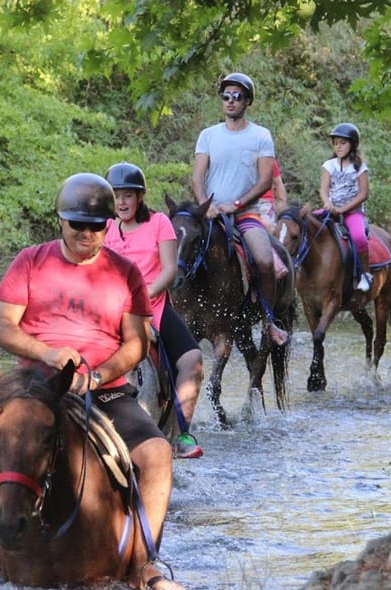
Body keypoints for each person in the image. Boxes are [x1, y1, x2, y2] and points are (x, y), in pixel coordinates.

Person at [0, 173, 184, 590]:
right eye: (78, 224)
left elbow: (136, 342)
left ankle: (144, 563)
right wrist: (47, 353)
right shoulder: (30, 261)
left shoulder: (125, 272)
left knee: (156, 454)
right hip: (33, 385)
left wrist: (97, 375)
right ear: (60, 221)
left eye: (98, 226)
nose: (88, 234)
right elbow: (0, 326)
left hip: (103, 388)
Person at [103, 161, 205, 459]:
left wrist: (140, 296)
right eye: (116, 195)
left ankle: (181, 433)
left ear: (140, 197)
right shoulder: (105, 228)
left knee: (192, 358)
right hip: (110, 306)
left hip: (153, 304)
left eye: (128, 195)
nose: (122, 202)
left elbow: (169, 270)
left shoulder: (159, 222)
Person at [191, 71, 289, 346]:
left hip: (246, 214)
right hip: (209, 214)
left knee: (264, 259)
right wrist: (204, 206)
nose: (230, 101)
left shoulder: (261, 136)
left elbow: (265, 181)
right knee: (181, 250)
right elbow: (197, 177)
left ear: (247, 101)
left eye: (237, 96)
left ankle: (269, 320)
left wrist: (234, 205)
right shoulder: (208, 136)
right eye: (226, 96)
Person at [319, 122, 372, 292]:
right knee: (306, 224)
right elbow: (323, 190)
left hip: (352, 212)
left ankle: (365, 274)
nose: (338, 147)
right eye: (336, 143)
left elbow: (363, 194)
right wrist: (327, 203)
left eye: (343, 143)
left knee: (358, 237)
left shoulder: (360, 168)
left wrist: (343, 209)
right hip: (331, 209)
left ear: (353, 145)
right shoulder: (329, 165)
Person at [258, 158, 288, 232]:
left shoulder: (269, 160)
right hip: (241, 201)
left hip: (264, 202)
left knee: (267, 224)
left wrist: (283, 204)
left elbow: (278, 183)